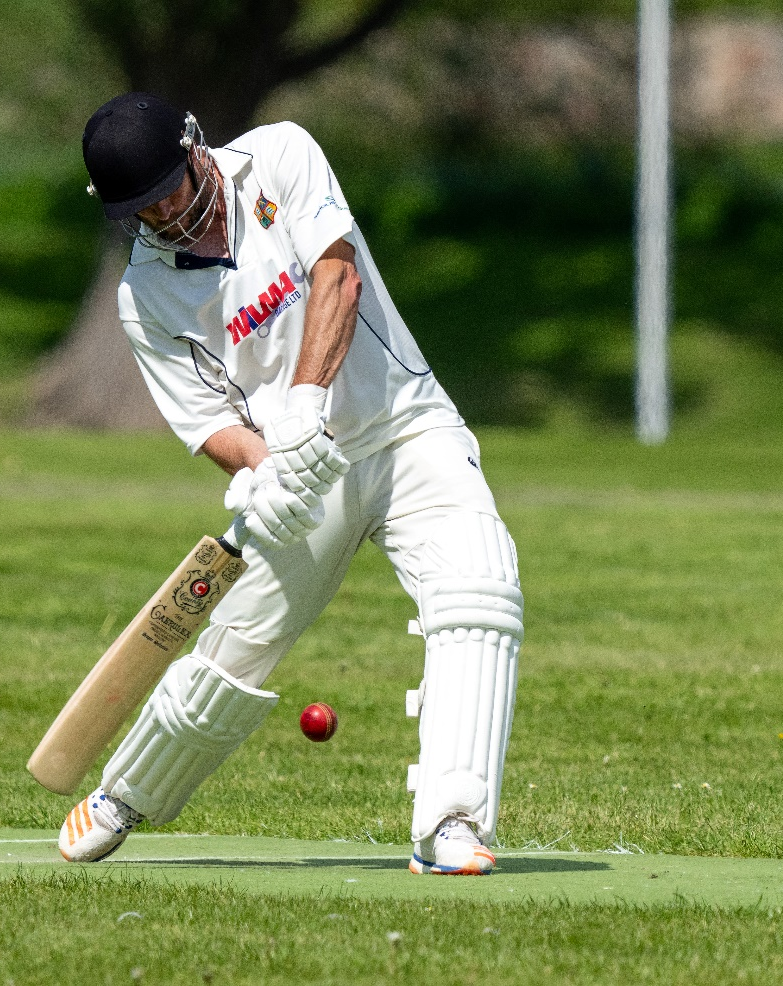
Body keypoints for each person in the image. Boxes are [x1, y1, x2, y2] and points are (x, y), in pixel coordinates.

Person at [58, 93, 524, 876]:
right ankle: (125, 795)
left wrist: (305, 402)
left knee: (480, 592)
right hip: (303, 477)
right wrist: (264, 468)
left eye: (168, 189)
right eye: (141, 209)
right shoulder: (145, 298)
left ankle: (449, 825)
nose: (164, 215)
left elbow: (337, 278)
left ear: (193, 146)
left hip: (406, 427)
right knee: (236, 646)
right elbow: (209, 425)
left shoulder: (279, 154)